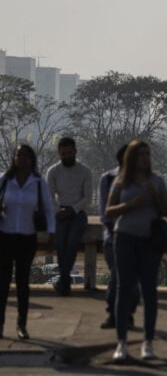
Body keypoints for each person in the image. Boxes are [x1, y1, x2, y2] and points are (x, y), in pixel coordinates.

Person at [105, 139, 167, 361]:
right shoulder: (120, 182)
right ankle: (121, 342)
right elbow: (109, 211)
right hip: (124, 238)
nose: (145, 158)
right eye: (140, 154)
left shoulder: (157, 182)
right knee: (124, 290)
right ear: (131, 158)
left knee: (149, 291)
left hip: (149, 241)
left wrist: (155, 196)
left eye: (147, 154)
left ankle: (148, 341)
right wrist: (130, 205)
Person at [0, 144, 55, 339]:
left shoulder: (38, 183)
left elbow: (48, 208)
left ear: (31, 159)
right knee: (3, 283)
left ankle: (21, 325)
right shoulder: (5, 180)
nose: (21, 158)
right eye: (18, 155)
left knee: (23, 283)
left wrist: (51, 234)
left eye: (24, 155)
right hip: (5, 236)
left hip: (27, 237)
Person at [98, 144, 139, 329]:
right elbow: (105, 213)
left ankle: (124, 314)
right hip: (113, 237)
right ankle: (115, 314)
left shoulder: (142, 180)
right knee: (119, 276)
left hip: (136, 236)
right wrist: (116, 232)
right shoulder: (108, 179)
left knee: (126, 277)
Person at [46, 137, 92, 295]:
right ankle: (65, 281)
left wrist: (72, 210)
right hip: (60, 212)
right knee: (60, 244)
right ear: (59, 153)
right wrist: (59, 211)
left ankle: (63, 281)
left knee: (72, 242)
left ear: (75, 152)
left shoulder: (85, 171)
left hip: (78, 213)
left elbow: (87, 198)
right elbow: (49, 197)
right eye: (63, 153)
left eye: (69, 153)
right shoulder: (53, 171)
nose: (66, 156)